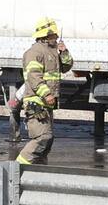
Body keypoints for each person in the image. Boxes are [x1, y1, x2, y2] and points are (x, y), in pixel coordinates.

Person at [15, 17, 73, 165]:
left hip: (46, 103)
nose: (57, 37)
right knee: (42, 137)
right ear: (46, 35)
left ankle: (39, 173)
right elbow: (33, 76)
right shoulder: (35, 52)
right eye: (54, 35)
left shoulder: (52, 52)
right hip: (36, 102)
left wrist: (64, 52)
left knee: (47, 141)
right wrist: (46, 93)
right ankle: (16, 168)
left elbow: (66, 67)